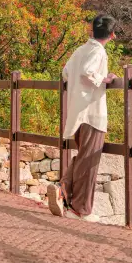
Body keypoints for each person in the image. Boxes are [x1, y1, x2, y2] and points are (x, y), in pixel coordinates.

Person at [47, 14, 117, 221]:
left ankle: (63, 188)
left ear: (92, 31)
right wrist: (106, 78)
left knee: (85, 157)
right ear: (112, 35)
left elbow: (66, 73)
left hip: (76, 112)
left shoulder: (80, 50)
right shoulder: (98, 51)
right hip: (92, 112)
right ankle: (80, 210)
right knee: (90, 159)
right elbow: (87, 72)